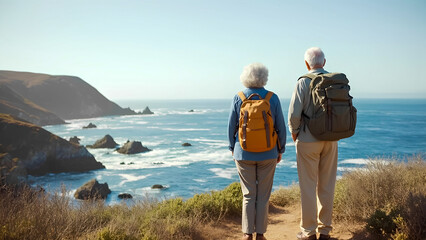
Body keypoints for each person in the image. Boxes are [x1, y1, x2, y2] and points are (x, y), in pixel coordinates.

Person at [228, 63, 286, 240]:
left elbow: (231, 126)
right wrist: (280, 149)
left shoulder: (238, 97)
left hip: (243, 153)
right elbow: (281, 127)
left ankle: (247, 233)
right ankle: (260, 234)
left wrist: (232, 147)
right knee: (263, 195)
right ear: (264, 77)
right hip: (268, 153)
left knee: (248, 194)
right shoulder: (272, 98)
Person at [288, 47, 338, 240]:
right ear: (324, 63)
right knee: (327, 184)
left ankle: (308, 231)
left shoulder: (303, 82)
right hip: (331, 139)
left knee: (308, 186)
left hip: (308, 139)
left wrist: (294, 133)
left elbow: (294, 114)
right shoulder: (334, 80)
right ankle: (325, 230)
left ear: (306, 64)